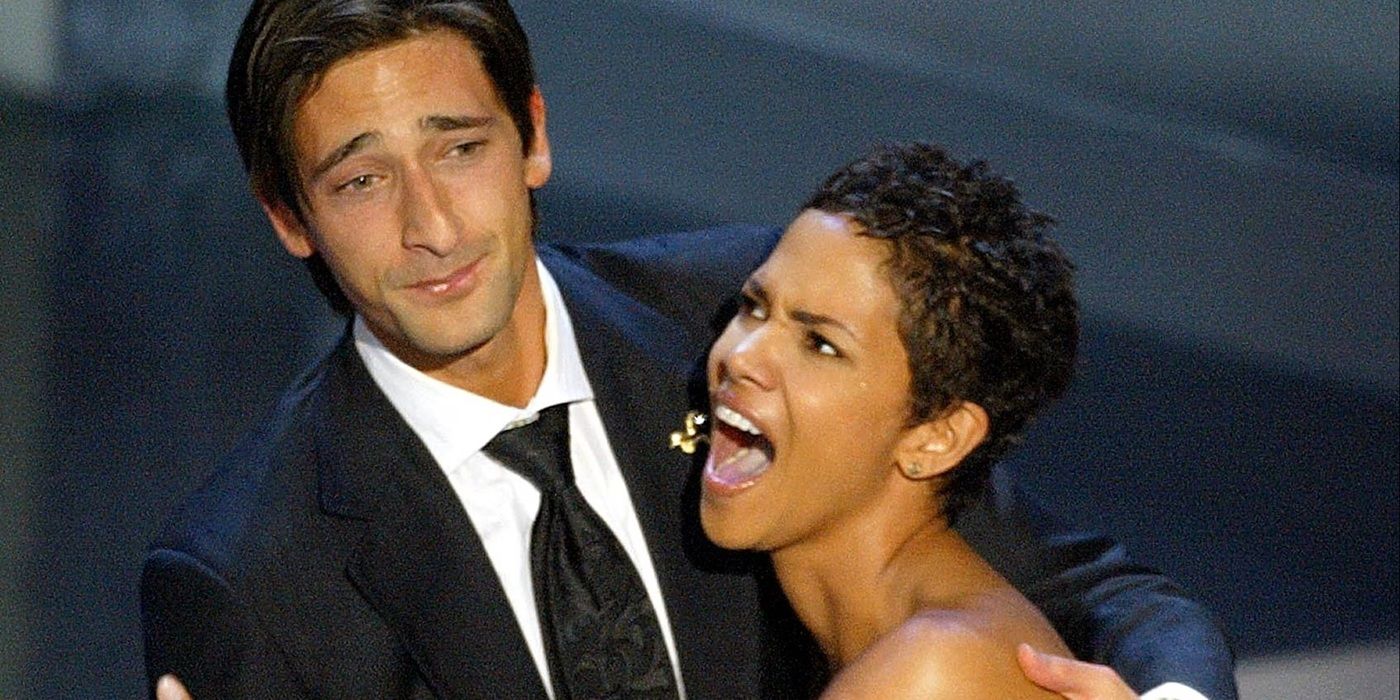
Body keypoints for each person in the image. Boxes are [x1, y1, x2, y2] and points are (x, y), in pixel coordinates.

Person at [139, 1, 1237, 698]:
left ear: (533, 134)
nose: (430, 226)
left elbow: (1088, 589)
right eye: (361, 180)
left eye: (460, 149)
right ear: (289, 215)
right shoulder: (245, 577)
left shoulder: (739, 323)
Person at [698, 142, 1141, 698]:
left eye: (821, 345)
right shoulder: (916, 642)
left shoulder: (932, 671)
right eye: (755, 307)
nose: (740, 357)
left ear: (936, 438)